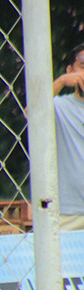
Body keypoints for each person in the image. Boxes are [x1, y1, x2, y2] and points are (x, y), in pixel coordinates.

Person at [53, 41, 84, 231]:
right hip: (68, 212)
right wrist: (60, 82)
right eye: (83, 67)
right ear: (70, 70)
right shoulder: (59, 106)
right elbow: (31, 113)